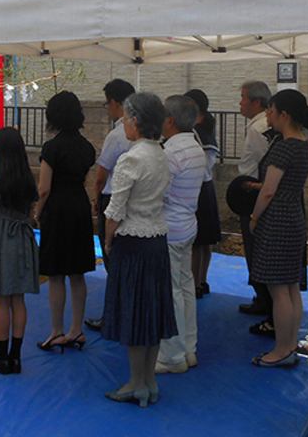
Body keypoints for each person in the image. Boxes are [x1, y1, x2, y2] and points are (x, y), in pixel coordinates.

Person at [102, 92, 178, 408]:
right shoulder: (161, 154)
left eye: (126, 117)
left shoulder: (131, 158)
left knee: (135, 314)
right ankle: (148, 380)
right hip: (157, 241)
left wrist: (107, 242)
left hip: (132, 244)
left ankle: (136, 382)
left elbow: (115, 210)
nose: (123, 123)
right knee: (152, 314)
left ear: (135, 120)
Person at [248, 89, 308, 368]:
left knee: (278, 290)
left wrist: (254, 218)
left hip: (277, 220)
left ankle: (280, 351)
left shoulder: (284, 146)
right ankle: (289, 346)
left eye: (271, 110)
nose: (267, 114)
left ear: (283, 115)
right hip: (295, 218)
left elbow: (268, 192)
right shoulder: (303, 144)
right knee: (291, 288)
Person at [35, 91, 97, 352]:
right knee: (77, 272)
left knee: (57, 273)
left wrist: (38, 212)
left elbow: (44, 188)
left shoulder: (51, 148)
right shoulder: (87, 147)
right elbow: (83, 178)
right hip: (80, 208)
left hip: (58, 210)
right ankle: (77, 330)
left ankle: (57, 331)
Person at [0, 127, 40, 375]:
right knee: (19, 299)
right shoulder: (28, 182)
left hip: (3, 242)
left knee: (2, 299)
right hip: (24, 241)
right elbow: (31, 215)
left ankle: (1, 358)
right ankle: (16, 357)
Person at [155, 95, 207, 375]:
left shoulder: (171, 152)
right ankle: (188, 348)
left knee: (172, 291)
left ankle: (172, 356)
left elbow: (158, 191)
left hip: (170, 228)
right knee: (185, 288)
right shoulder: (195, 147)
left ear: (170, 121)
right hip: (187, 225)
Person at [84, 78, 136, 332]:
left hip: (114, 199)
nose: (107, 108)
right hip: (137, 203)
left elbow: (101, 176)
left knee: (112, 257)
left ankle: (113, 316)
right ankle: (130, 313)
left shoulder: (117, 134)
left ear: (115, 103)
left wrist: (97, 199)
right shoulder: (148, 133)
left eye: (107, 103)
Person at [237, 80, 277, 321]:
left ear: (258, 102)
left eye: (243, 98)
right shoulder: (258, 125)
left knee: (255, 248)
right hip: (254, 190)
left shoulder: (259, 128)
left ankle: (265, 300)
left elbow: (268, 165)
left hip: (254, 192)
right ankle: (262, 298)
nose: (240, 103)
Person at [184, 89, 220, 300]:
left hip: (197, 187)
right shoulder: (207, 129)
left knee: (197, 242)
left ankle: (194, 283)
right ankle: (202, 281)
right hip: (207, 186)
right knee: (206, 242)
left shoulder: (195, 132)